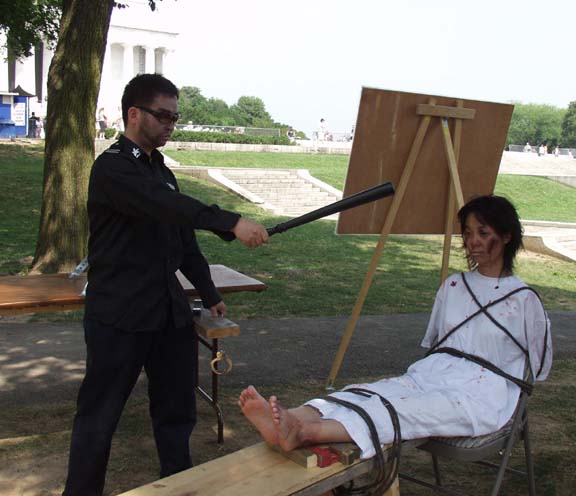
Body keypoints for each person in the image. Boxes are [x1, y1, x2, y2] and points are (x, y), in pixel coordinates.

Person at [62, 73, 269, 496]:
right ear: (134, 114)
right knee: (99, 416)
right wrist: (231, 221)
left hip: (168, 312)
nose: (171, 124)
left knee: (177, 412)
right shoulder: (114, 168)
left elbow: (183, 239)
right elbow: (165, 205)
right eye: (163, 116)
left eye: (175, 117)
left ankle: (178, 484)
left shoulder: (161, 170)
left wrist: (209, 293)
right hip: (118, 314)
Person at [239, 195, 552, 460]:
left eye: (483, 233)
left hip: (483, 394)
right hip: (435, 373)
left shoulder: (524, 299)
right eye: (468, 233)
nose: (473, 242)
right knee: (373, 392)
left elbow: (535, 369)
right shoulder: (454, 285)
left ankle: (304, 432)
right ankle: (292, 416)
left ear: (507, 236)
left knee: (410, 408)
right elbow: (438, 343)